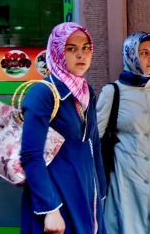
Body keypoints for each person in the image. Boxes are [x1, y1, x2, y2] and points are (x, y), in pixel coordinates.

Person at [20, 22, 106, 234]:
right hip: (56, 198)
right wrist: (50, 209)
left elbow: (93, 144)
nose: (81, 55)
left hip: (86, 196)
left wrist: (101, 194)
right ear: (57, 51)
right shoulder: (43, 93)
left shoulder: (87, 93)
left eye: (85, 48)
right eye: (71, 48)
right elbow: (31, 155)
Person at [97, 32, 150, 233]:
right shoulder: (112, 92)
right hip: (124, 178)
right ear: (130, 55)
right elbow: (96, 139)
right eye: (144, 53)